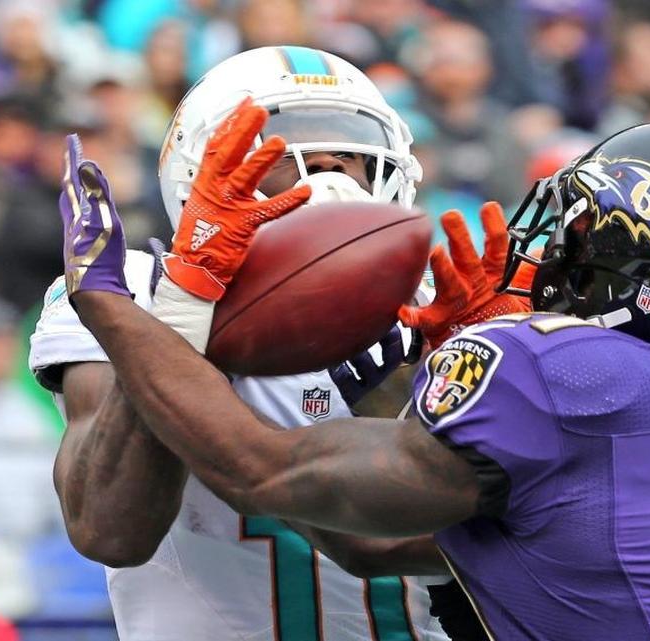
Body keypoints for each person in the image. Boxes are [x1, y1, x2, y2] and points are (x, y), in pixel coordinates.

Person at [57, 115, 650, 639]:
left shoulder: (561, 368)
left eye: (582, 235)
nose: (558, 253)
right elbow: (388, 544)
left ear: (644, 270)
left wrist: (122, 308)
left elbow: (266, 472)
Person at [29, 46, 451, 640]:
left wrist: (454, 365)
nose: (329, 161)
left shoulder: (440, 306)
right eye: (286, 142)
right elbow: (109, 528)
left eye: (352, 149)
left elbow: (467, 536)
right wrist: (178, 319)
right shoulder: (133, 290)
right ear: (200, 167)